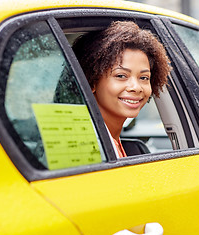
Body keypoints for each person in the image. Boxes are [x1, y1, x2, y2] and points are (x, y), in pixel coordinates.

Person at [72, 21, 171, 158]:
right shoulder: (86, 147)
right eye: (121, 76)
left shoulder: (110, 141)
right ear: (92, 82)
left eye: (144, 78)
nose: (136, 87)